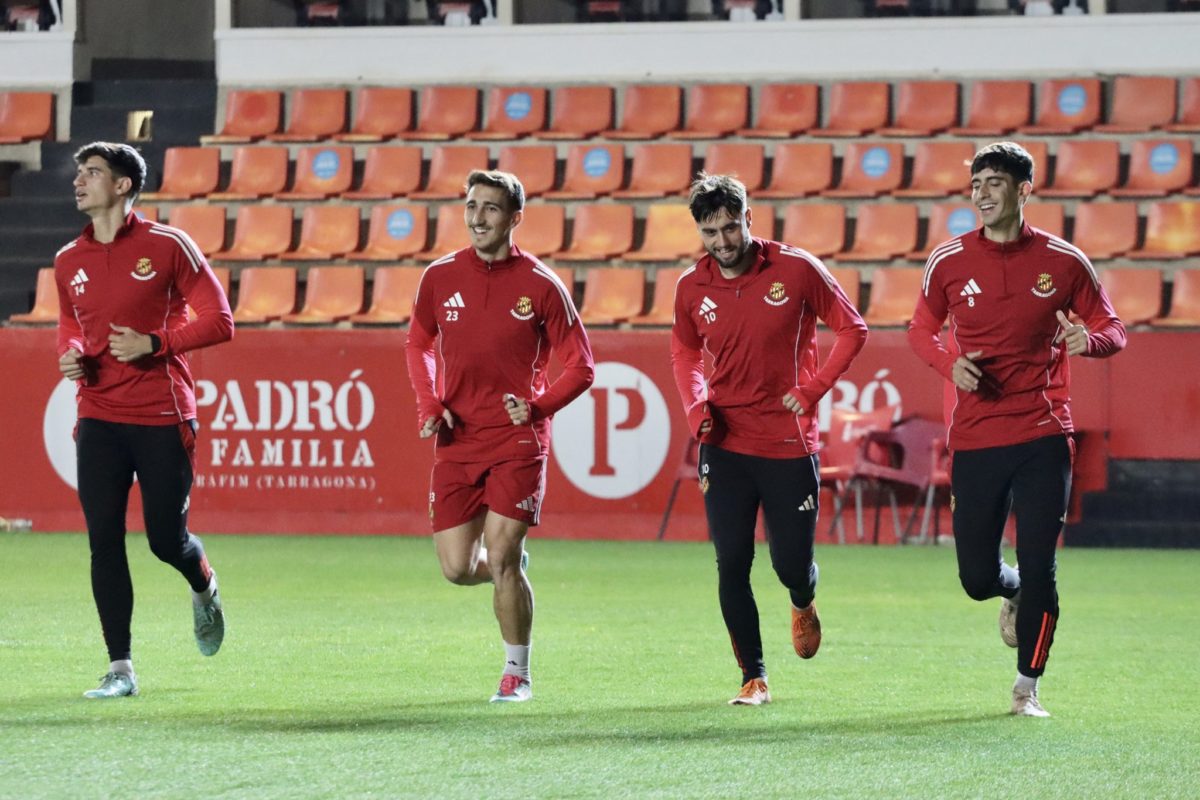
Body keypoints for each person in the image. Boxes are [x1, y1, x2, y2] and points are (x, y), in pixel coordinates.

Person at [908, 142, 1125, 717]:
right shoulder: (948, 261)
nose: (981, 193)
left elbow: (1112, 326)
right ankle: (1011, 589)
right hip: (977, 438)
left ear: (1024, 190)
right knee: (977, 577)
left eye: (994, 182)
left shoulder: (1065, 261)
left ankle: (1027, 687)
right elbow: (921, 330)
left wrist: (1091, 341)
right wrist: (947, 363)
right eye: (976, 182)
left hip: (1042, 432)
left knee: (1042, 562)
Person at [671, 174, 868, 706]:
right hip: (726, 443)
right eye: (710, 231)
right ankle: (753, 676)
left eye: (730, 227)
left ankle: (803, 596)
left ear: (749, 219)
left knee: (788, 565)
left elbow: (853, 329)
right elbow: (686, 355)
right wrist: (696, 408)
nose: (722, 241)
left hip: (789, 442)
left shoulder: (798, 270)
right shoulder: (692, 287)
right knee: (731, 562)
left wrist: (814, 388)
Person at [405, 169, 594, 703]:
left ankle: (517, 674)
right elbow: (417, 343)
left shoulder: (542, 285)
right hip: (457, 438)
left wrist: (536, 408)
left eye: (490, 208)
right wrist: (430, 400)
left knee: (503, 555)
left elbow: (582, 368)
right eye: (471, 206)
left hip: (518, 439)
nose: (477, 217)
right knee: (457, 569)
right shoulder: (439, 277)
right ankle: (508, 573)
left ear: (515, 218)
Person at [55, 142, 234, 699]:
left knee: (164, 540)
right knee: (103, 541)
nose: (79, 182)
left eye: (92, 173)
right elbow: (70, 322)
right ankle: (120, 667)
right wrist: (70, 353)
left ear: (124, 185)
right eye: (79, 173)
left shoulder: (169, 244)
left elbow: (220, 320)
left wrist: (157, 343)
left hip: (162, 414)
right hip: (99, 415)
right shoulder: (67, 260)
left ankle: (202, 582)